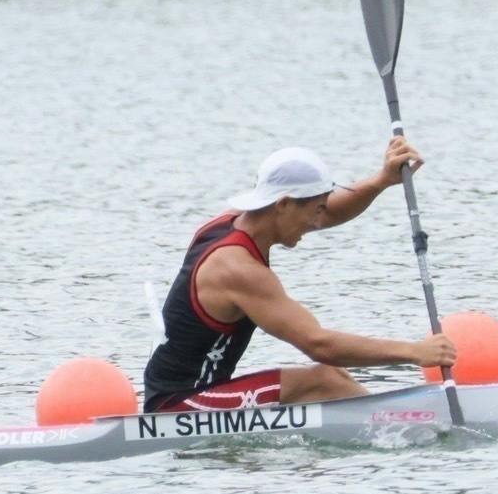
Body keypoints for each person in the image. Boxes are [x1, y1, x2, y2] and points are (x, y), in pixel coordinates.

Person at [142, 140, 456, 412]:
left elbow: (331, 210)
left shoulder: (234, 222)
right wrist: (414, 352)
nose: (318, 222)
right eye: (316, 210)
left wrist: (381, 181)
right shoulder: (238, 269)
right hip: (179, 406)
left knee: (333, 377)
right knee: (324, 380)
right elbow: (318, 344)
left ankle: (399, 419)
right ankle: (410, 423)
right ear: (283, 204)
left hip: (200, 391)